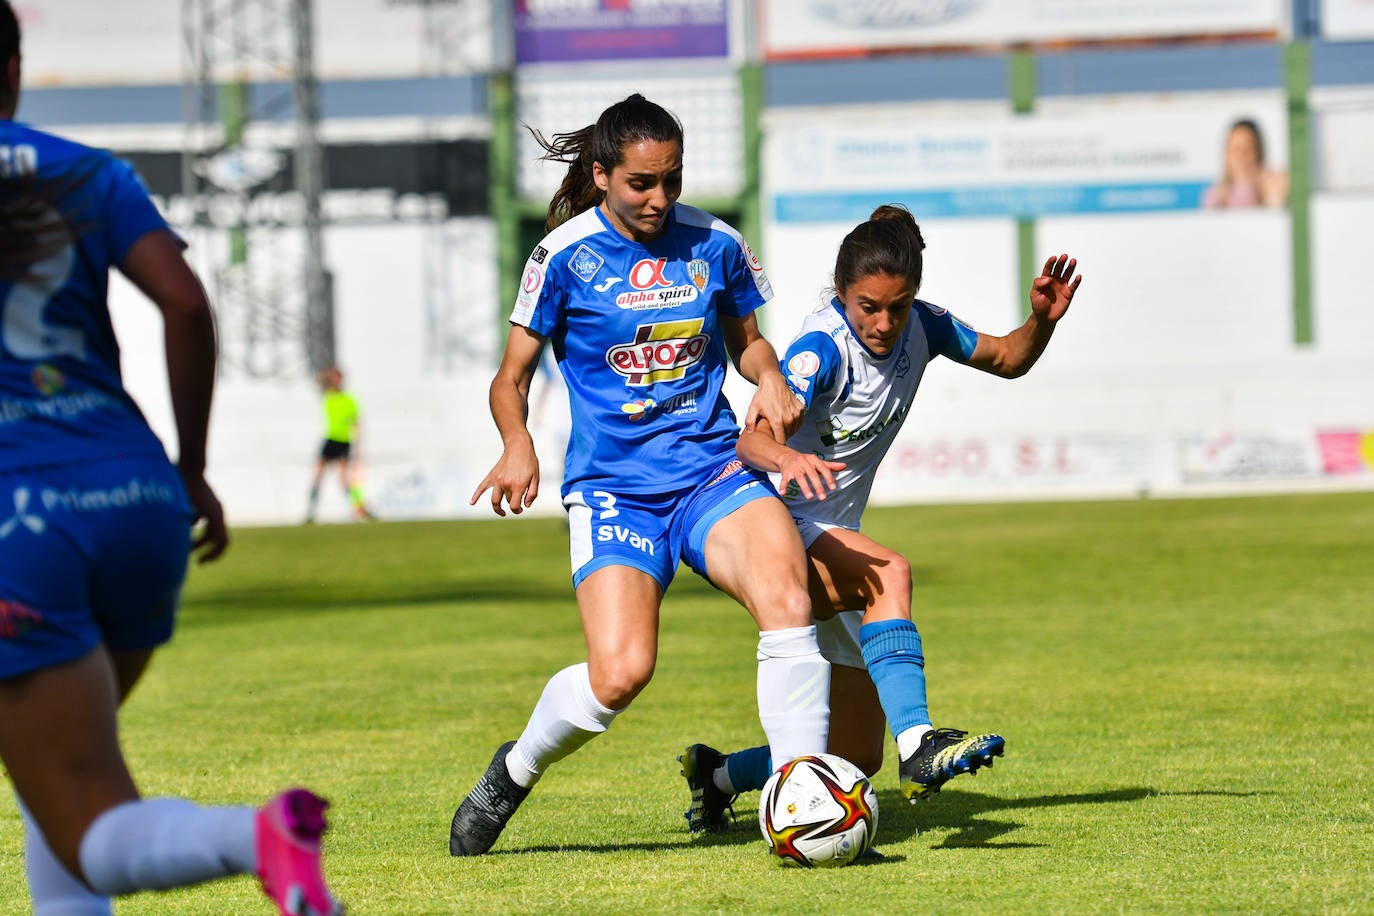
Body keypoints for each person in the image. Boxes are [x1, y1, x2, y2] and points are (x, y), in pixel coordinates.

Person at [0, 5, 341, 914]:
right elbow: (186, 305)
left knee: (82, 810)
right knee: (61, 767)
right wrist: (190, 468)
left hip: (16, 519)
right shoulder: (89, 172)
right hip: (135, 498)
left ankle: (258, 837)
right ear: (13, 69)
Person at [451, 93, 829, 856]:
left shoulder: (716, 243)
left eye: (672, 180)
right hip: (614, 490)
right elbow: (510, 377)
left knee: (789, 602)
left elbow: (749, 343)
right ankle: (513, 771)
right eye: (641, 183)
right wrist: (517, 441)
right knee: (620, 673)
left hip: (713, 470)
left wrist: (768, 376)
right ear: (601, 175)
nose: (660, 198)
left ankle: (803, 801)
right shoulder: (562, 257)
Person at [679, 204, 1082, 833]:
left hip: (834, 538)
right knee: (890, 573)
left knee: (854, 757)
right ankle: (920, 746)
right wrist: (789, 456)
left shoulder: (925, 326)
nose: (885, 323)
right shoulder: (821, 351)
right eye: (868, 307)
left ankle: (719, 775)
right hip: (774, 529)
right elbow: (750, 441)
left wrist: (1040, 321)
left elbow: (1008, 357)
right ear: (842, 292)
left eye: (898, 306)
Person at [305, 365, 374, 523]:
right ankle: (310, 513)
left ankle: (361, 508)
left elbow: (356, 424)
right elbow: (316, 382)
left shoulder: (349, 400)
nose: (336, 382)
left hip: (344, 442)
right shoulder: (328, 396)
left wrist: (357, 447)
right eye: (334, 379)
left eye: (338, 379)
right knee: (317, 477)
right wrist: (328, 375)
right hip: (330, 440)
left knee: (344, 481)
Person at [1202, 118, 1288, 209]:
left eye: (1247, 148)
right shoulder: (1215, 195)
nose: (1241, 156)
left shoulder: (1271, 186)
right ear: (1226, 155)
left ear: (1258, 151)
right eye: (1235, 149)